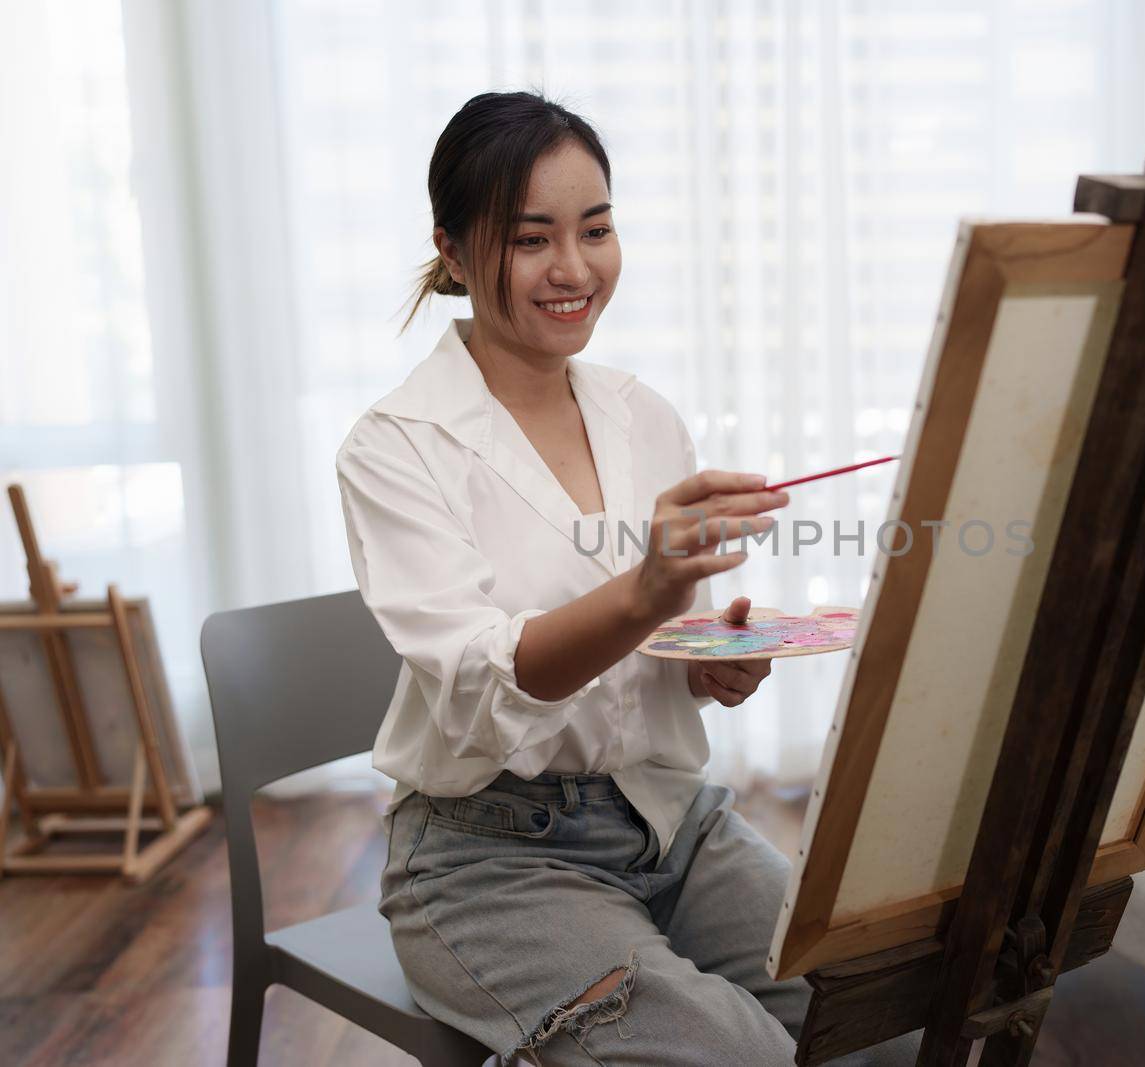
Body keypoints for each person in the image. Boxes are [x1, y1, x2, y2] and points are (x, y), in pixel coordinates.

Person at [337, 91, 915, 1066]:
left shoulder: (642, 415)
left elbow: (643, 648)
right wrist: (645, 592)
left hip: (670, 821)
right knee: (744, 1054)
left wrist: (707, 658)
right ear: (452, 248)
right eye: (531, 239)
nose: (574, 268)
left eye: (595, 229)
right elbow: (485, 683)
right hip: (487, 858)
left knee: (890, 1017)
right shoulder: (395, 446)